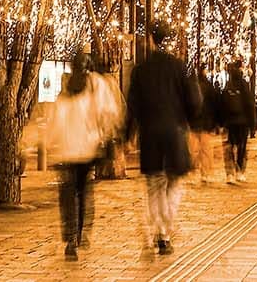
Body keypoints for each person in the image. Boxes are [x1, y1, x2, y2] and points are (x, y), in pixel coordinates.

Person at [125, 20, 200, 256]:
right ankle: (165, 233)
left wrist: (127, 136)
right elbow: (194, 101)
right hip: (174, 134)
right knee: (174, 185)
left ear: (150, 39)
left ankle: (158, 230)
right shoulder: (180, 67)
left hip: (150, 137)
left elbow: (132, 107)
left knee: (155, 186)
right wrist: (189, 124)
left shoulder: (140, 69)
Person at [45, 53, 124, 260]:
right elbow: (108, 112)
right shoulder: (95, 85)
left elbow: (57, 118)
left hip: (66, 148)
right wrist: (108, 134)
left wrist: (47, 142)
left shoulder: (66, 88)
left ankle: (71, 238)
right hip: (88, 148)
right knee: (84, 191)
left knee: (68, 195)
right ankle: (81, 233)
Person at [219, 60, 254, 183]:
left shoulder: (228, 85)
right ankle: (240, 171)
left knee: (229, 147)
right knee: (242, 147)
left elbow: (222, 105)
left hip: (229, 122)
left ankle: (229, 174)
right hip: (243, 122)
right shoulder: (244, 85)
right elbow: (249, 104)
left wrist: (221, 122)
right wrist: (252, 124)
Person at [188, 67, 219, 184]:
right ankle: (205, 173)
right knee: (205, 150)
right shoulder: (209, 87)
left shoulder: (191, 88)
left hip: (193, 124)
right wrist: (216, 123)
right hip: (206, 124)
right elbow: (215, 106)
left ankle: (192, 172)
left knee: (192, 150)